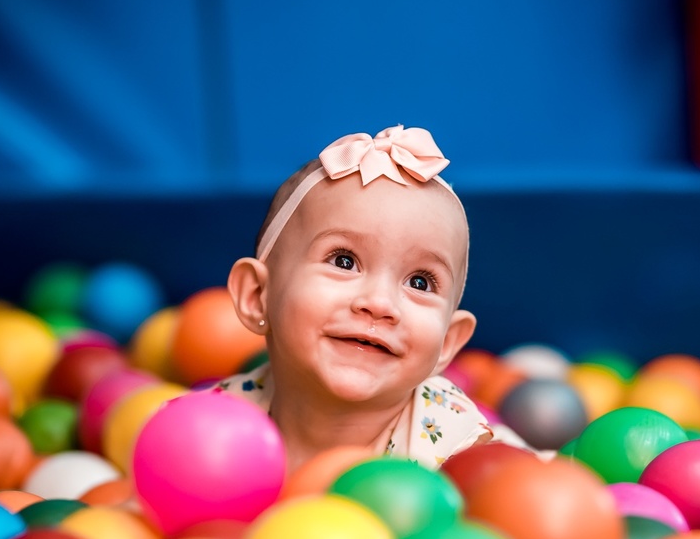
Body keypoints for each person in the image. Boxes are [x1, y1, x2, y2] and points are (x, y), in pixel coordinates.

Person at [218, 124, 529, 474]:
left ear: (448, 342)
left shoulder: (462, 451)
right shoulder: (211, 431)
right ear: (256, 295)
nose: (379, 303)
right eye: (344, 261)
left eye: (420, 283)